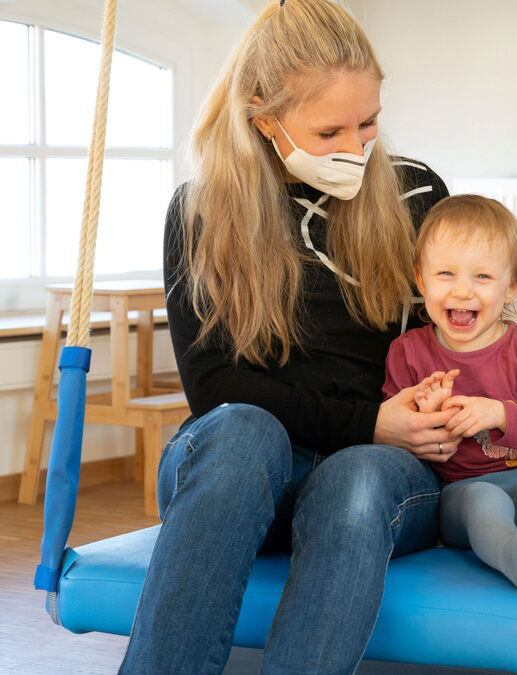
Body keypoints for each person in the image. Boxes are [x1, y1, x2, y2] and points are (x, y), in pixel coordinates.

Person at [120, 1, 456, 672]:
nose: (356, 147)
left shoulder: (418, 194)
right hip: (241, 474)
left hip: (377, 477)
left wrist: (431, 409)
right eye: (330, 129)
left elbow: (444, 355)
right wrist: (370, 422)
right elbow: (215, 385)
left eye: (369, 122)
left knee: (355, 478)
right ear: (263, 116)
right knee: (244, 428)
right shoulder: (201, 212)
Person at [382, 195, 517, 590]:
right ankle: (513, 554)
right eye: (446, 274)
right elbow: (394, 446)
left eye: (482, 277)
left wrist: (500, 414)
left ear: (511, 287)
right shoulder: (408, 351)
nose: (463, 291)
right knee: (483, 499)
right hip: (463, 493)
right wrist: (427, 420)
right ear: (421, 279)